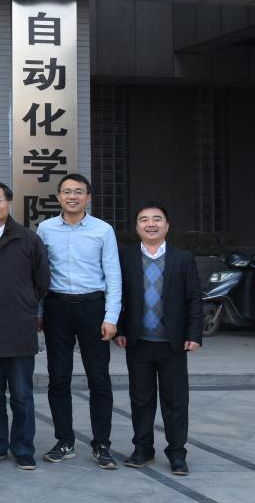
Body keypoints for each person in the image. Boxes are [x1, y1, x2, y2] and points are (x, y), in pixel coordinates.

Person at [37, 173, 122, 469]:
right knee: (58, 378)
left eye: (78, 192)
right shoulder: (45, 229)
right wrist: (39, 312)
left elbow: (113, 276)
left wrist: (111, 317)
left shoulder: (103, 230)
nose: (72, 196)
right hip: (57, 307)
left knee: (99, 378)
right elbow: (39, 274)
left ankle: (102, 444)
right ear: (58, 197)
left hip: (93, 307)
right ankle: (64, 440)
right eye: (67, 192)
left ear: (88, 197)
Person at [115, 203, 202, 476]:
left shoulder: (182, 258)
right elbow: (118, 295)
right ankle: (143, 450)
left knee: (175, 401)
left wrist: (194, 334)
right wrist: (119, 329)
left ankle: (177, 453)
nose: (150, 224)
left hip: (172, 344)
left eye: (157, 219)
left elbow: (194, 299)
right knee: (141, 400)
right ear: (137, 226)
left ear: (167, 225)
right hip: (138, 342)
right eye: (144, 219)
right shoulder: (125, 257)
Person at [0, 181, 50, 471]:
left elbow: (42, 282)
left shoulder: (28, 239)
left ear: (9, 202)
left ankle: (23, 448)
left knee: (21, 394)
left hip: (19, 330)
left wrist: (25, 305)